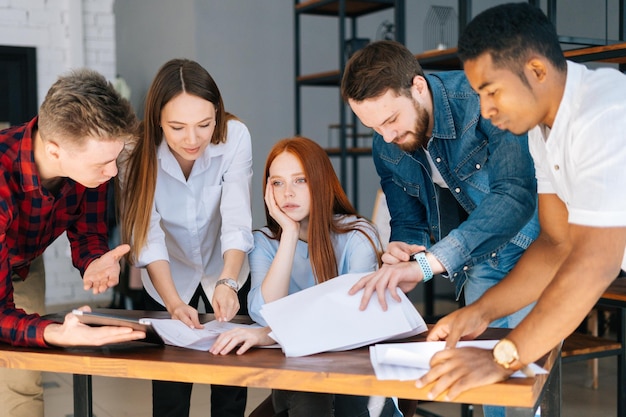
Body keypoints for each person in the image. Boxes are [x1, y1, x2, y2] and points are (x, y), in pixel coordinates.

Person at [414, 1, 626, 402]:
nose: (487, 110)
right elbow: (555, 244)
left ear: (537, 71)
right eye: (479, 95)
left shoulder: (604, 114)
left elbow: (595, 261)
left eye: (492, 91)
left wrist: (502, 357)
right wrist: (482, 312)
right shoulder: (542, 128)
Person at [340, 40, 539, 324]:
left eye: (392, 119)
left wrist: (425, 265)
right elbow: (408, 222)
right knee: (484, 361)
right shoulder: (385, 143)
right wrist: (404, 250)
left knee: (529, 361)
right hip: (477, 259)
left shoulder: (482, 101)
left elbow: (512, 196)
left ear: (418, 87)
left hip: (532, 249)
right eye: (374, 127)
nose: (386, 136)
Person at [210, 137, 398, 417]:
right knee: (305, 383)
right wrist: (287, 234)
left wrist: (269, 334)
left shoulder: (358, 235)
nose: (287, 193)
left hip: (356, 386)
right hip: (300, 388)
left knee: (309, 386)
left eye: (300, 180)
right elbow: (264, 313)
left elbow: (352, 319)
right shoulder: (264, 241)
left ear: (320, 182)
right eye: (277, 183)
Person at [0, 68, 145, 417]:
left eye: (115, 157)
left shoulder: (86, 166)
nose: (112, 172)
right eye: (103, 163)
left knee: (21, 377)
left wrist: (94, 258)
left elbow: (88, 229)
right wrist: (55, 333)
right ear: (54, 152)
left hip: (22, 260)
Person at [119, 58, 253, 417]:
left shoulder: (235, 137)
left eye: (204, 125)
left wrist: (228, 280)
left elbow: (237, 218)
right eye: (177, 127)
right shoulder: (134, 152)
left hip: (225, 266)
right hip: (168, 273)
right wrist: (174, 302)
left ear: (217, 115)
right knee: (170, 388)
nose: (192, 139)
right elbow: (147, 235)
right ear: (157, 121)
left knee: (229, 384)